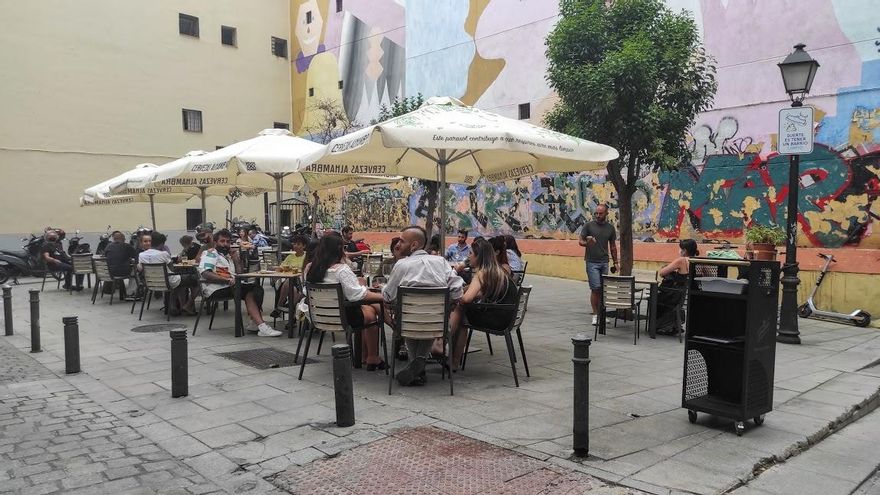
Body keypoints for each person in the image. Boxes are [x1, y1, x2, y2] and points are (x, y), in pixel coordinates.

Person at [383, 226, 464, 386]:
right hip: (436, 323)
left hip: (407, 323)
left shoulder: (402, 265)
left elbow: (387, 296)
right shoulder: (441, 261)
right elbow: (457, 288)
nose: (398, 244)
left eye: (401, 241)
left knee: (411, 320)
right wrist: (451, 301)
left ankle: (416, 367)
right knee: (429, 318)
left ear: (413, 245)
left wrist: (384, 287)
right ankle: (418, 367)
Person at [305, 235, 386, 370]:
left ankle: (365, 356)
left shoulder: (310, 268)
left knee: (370, 308)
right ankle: (372, 355)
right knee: (372, 311)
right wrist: (383, 296)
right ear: (339, 249)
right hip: (343, 318)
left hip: (318, 317)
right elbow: (357, 295)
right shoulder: (341, 269)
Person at [198, 229, 281, 337]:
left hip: (231, 286)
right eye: (222, 241)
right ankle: (261, 326)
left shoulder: (228, 256)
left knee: (256, 289)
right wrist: (226, 280)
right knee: (247, 290)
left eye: (228, 241)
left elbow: (239, 273)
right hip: (214, 289)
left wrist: (236, 259)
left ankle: (256, 323)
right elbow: (206, 273)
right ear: (215, 242)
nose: (225, 244)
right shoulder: (210, 254)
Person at [458, 238, 519, 365]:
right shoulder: (497, 270)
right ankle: (450, 357)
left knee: (460, 313)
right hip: (508, 318)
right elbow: (481, 293)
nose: (468, 256)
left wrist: (454, 297)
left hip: (498, 320)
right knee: (461, 309)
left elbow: (466, 299)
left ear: (479, 256)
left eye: (470, 253)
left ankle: (451, 359)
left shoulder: (483, 273)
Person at [138, 232, 198, 316]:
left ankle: (174, 306)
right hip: (168, 281)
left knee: (180, 282)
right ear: (162, 244)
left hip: (151, 283)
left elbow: (140, 268)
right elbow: (172, 269)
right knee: (196, 279)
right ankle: (188, 305)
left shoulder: (141, 255)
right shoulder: (164, 254)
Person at [579, 204, 618, 326]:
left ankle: (602, 314)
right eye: (596, 213)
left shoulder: (610, 228)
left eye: (600, 213)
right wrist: (587, 243)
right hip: (592, 262)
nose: (597, 215)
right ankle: (595, 315)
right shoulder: (588, 226)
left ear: (606, 213)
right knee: (595, 288)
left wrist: (616, 262)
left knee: (602, 289)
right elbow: (580, 241)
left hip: (604, 261)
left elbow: (613, 246)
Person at [655, 239, 698, 335]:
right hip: (684, 296)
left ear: (684, 250)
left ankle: (661, 325)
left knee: (654, 298)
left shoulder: (681, 260)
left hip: (675, 295)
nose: (679, 251)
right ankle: (672, 325)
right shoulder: (696, 260)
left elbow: (662, 273)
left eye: (680, 249)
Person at [271, 234, 309, 316]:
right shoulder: (290, 257)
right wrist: (276, 268)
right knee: (292, 289)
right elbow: (281, 267)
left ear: (304, 246)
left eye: (298, 244)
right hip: (291, 282)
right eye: (294, 244)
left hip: (301, 282)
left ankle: (279, 307)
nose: (295, 246)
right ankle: (292, 316)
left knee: (291, 286)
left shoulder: (306, 257)